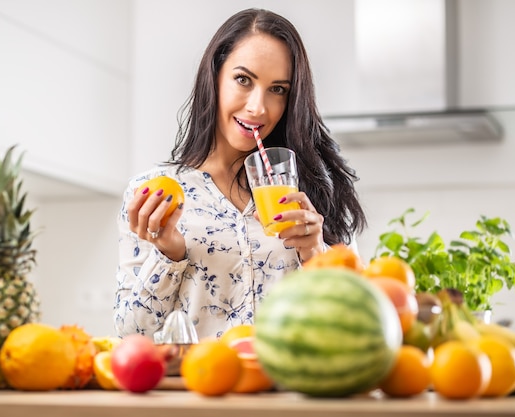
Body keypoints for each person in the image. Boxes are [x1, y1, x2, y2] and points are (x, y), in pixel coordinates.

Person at [113, 8, 366, 340]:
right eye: (243, 80)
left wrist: (315, 254)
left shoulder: (319, 192)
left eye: (278, 89)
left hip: (290, 390)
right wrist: (168, 254)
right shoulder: (152, 193)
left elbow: (359, 327)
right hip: (202, 385)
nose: (258, 107)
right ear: (214, 78)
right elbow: (131, 335)